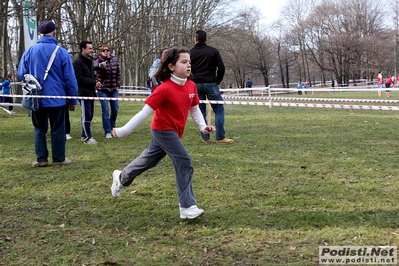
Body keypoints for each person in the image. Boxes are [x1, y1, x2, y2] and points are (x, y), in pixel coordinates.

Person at [110, 47, 215, 219]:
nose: (189, 65)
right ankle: (187, 207)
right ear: (171, 66)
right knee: (184, 161)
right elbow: (144, 113)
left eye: (189, 62)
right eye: (184, 62)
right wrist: (123, 131)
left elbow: (195, 109)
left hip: (174, 131)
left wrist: (203, 127)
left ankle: (121, 177)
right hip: (162, 130)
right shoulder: (163, 89)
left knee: (148, 160)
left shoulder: (191, 86)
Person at [17, 21, 78, 167]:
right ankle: (58, 159)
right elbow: (70, 78)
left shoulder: (30, 51)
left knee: (39, 129)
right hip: (57, 99)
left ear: (39, 34)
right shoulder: (61, 52)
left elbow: (21, 73)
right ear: (54, 33)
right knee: (58, 129)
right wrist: (72, 99)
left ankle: (41, 159)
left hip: (37, 99)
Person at [190, 30, 233, 144]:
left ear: (195, 39)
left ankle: (206, 138)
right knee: (218, 109)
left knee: (200, 111)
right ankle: (220, 137)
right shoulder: (213, 51)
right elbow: (222, 68)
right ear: (206, 39)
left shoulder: (190, 53)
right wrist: (217, 81)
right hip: (211, 83)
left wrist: (191, 80)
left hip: (196, 84)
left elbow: (187, 69)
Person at [73, 40, 102, 144]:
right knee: (86, 114)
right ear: (83, 49)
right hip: (83, 92)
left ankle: (84, 134)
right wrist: (93, 82)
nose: (92, 50)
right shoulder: (77, 62)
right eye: (90, 48)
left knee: (90, 114)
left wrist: (97, 82)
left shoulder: (89, 61)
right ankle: (87, 137)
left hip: (91, 92)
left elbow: (92, 75)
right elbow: (78, 78)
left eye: (92, 48)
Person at [94, 44, 121, 139]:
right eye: (104, 50)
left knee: (115, 109)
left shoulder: (114, 60)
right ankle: (107, 131)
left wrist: (118, 84)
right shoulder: (98, 59)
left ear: (110, 51)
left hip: (113, 88)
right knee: (105, 110)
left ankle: (112, 127)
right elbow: (94, 67)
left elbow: (118, 73)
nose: (106, 52)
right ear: (101, 52)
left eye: (107, 50)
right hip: (102, 89)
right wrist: (100, 65)